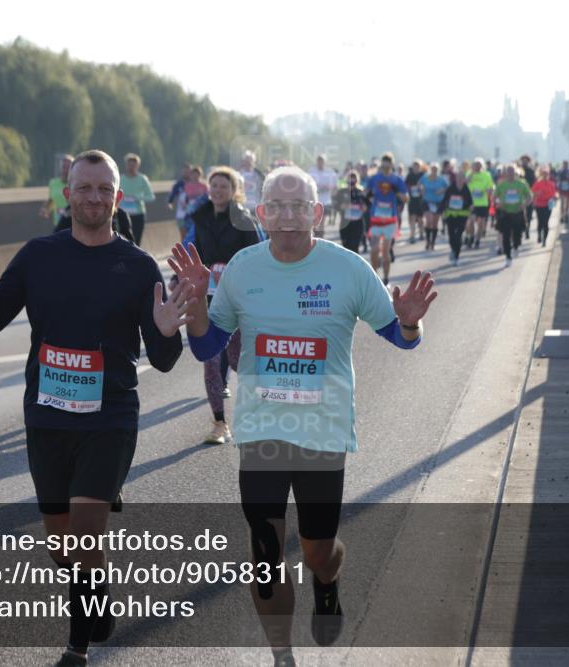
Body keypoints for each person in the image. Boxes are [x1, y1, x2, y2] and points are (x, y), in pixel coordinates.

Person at [170, 166, 437, 667]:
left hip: (322, 433)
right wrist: (198, 307)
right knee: (266, 557)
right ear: (263, 214)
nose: (289, 216)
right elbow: (207, 343)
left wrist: (410, 324)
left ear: (316, 213)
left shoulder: (349, 269)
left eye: (300, 207)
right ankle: (282, 657)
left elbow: (399, 336)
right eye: (278, 207)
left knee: (317, 550)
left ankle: (327, 579)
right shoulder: (244, 270)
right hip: (262, 432)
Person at [0, 149, 189, 667]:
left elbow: (162, 360)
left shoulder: (139, 267)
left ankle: (76, 645)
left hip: (110, 417)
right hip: (47, 416)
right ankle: (94, 600)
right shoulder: (38, 256)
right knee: (62, 546)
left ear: (118, 198)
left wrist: (167, 332)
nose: (94, 197)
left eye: (104, 189)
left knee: (86, 528)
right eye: (85, 187)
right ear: (67, 194)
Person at [182, 166, 261, 444]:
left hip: (238, 299)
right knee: (211, 362)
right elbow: (188, 250)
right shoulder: (199, 219)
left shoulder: (244, 219)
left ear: (234, 190)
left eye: (223, 186)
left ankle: (263, 409)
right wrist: (181, 277)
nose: (217, 190)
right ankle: (220, 424)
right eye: (213, 185)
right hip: (208, 300)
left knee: (240, 360)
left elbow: (258, 256)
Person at [364, 153, 407, 286]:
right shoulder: (375, 178)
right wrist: (367, 194)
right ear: (382, 165)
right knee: (374, 249)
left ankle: (386, 278)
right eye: (384, 163)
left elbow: (406, 198)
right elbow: (365, 191)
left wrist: (396, 192)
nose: (386, 166)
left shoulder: (397, 180)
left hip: (390, 220)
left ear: (392, 165)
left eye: (388, 163)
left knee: (385, 251)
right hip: (376, 219)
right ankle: (375, 277)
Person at [494, 164, 533, 267]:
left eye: (512, 172)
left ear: (515, 173)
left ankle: (516, 246)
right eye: (508, 172)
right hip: (505, 213)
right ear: (505, 173)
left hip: (517, 213)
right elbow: (494, 197)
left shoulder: (521, 184)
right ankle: (508, 257)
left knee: (517, 234)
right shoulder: (502, 185)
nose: (510, 174)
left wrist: (524, 205)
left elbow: (529, 197)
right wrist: (498, 204)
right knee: (505, 236)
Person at [119, 153, 156, 246]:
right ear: (126, 165)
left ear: (137, 166)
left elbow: (151, 197)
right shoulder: (120, 179)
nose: (131, 167)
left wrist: (138, 198)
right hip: (122, 214)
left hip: (138, 214)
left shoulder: (142, 179)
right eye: (129, 165)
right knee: (123, 240)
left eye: (133, 165)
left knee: (136, 241)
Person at [441, 170, 473, 266]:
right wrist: (442, 212)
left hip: (462, 216)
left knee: (458, 235)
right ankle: (453, 249)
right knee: (451, 236)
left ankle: (457, 256)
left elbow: (471, 203)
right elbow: (444, 200)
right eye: (458, 177)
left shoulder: (466, 189)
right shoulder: (451, 188)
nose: (459, 179)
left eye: (461, 177)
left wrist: (470, 212)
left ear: (464, 179)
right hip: (451, 215)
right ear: (455, 178)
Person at [467, 158, 496, 250]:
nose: (477, 167)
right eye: (476, 165)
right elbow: (466, 182)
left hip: (483, 202)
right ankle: (471, 237)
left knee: (481, 223)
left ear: (482, 166)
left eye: (479, 165)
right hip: (471, 202)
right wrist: (472, 172)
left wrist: (489, 191)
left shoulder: (486, 175)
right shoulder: (469, 173)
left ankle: (477, 240)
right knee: (470, 221)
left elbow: (491, 186)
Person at [337, 170, 368, 254]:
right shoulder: (341, 192)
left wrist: (363, 207)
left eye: (354, 180)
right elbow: (336, 205)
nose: (351, 182)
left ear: (357, 180)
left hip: (358, 223)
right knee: (346, 248)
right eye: (350, 179)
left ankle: (354, 266)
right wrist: (343, 206)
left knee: (355, 248)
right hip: (345, 224)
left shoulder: (361, 192)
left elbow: (367, 206)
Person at [308, 155, 338, 237]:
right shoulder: (311, 171)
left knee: (322, 221)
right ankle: (313, 237)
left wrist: (329, 188)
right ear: (316, 161)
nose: (320, 163)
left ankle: (320, 238)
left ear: (324, 162)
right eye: (319, 161)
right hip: (314, 201)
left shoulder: (330, 172)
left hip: (325, 201)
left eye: (322, 161)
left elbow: (335, 187)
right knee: (313, 222)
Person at [41, 155, 74, 226]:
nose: (66, 170)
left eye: (68, 167)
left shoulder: (76, 184)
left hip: (72, 225)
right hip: (58, 224)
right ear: (61, 167)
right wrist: (46, 210)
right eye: (64, 167)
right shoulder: (53, 183)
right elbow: (52, 200)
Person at [422, 164, 448, 251]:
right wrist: (422, 189)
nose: (434, 171)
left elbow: (447, 187)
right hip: (427, 201)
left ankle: (433, 242)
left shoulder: (441, 179)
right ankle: (427, 241)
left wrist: (441, 191)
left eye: (436, 169)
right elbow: (419, 184)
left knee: (434, 223)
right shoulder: (425, 178)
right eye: (432, 169)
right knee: (429, 221)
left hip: (438, 202)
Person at [531, 166, 559, 246]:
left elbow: (555, 193)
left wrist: (556, 197)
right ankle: (539, 234)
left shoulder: (551, 184)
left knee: (546, 222)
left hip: (549, 205)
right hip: (539, 205)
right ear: (541, 175)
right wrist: (537, 193)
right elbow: (532, 193)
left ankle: (544, 240)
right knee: (540, 221)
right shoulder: (537, 183)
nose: (545, 176)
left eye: (546, 174)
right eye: (544, 174)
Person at [168, 163, 192, 240]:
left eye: (188, 171)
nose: (186, 173)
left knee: (192, 235)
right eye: (185, 171)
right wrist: (170, 203)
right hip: (181, 214)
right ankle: (184, 251)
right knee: (183, 236)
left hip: (193, 214)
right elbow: (172, 195)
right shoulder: (178, 184)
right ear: (182, 172)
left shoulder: (195, 184)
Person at [404, 160, 425, 244]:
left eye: (417, 166)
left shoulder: (422, 176)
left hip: (420, 199)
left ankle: (421, 233)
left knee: (420, 218)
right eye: (414, 166)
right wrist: (409, 189)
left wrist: (421, 188)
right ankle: (412, 235)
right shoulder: (409, 175)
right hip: (412, 199)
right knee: (412, 217)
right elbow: (405, 185)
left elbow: (425, 185)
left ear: (420, 167)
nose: (415, 168)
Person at [519, 155, 537, 240]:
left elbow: (534, 184)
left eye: (526, 161)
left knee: (529, 214)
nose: (524, 162)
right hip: (518, 196)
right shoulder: (518, 171)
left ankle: (527, 229)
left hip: (528, 195)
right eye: (523, 161)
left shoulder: (531, 172)